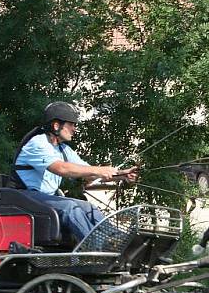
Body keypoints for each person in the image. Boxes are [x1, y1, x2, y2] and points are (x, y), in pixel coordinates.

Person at [12, 101, 138, 242]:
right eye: (71, 124)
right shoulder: (38, 143)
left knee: (87, 206)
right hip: (25, 197)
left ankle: (120, 241)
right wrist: (100, 170)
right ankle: (99, 246)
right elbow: (62, 169)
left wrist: (122, 176)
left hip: (44, 198)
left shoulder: (63, 149)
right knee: (69, 207)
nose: (75, 129)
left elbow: (89, 174)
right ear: (56, 125)